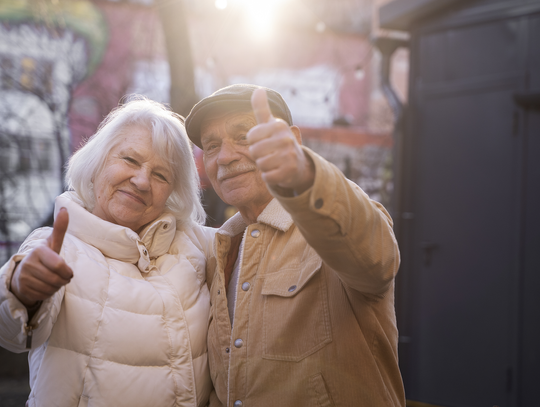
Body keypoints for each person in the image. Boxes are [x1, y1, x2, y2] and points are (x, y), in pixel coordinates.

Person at [185, 84, 405, 407]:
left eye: (244, 137)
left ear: (295, 142)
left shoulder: (329, 226)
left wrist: (304, 175)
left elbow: (377, 259)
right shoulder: (218, 253)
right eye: (212, 145)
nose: (225, 156)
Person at [0, 97, 215, 407]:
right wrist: (22, 290)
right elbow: (12, 333)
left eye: (160, 175)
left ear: (172, 191)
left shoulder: (196, 246)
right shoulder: (56, 246)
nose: (142, 181)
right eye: (129, 159)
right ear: (97, 162)